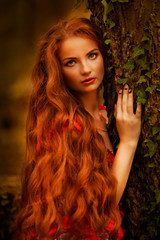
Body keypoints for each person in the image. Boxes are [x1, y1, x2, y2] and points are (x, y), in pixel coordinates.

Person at [14, 18, 141, 240]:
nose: (85, 69)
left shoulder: (104, 115)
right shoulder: (64, 125)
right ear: (58, 71)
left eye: (92, 55)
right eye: (71, 62)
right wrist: (128, 143)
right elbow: (100, 209)